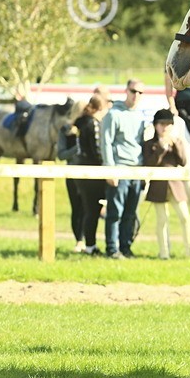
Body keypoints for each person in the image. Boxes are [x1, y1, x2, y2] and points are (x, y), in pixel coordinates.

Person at [143, 109, 190, 259]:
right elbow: (149, 164)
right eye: (162, 124)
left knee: (185, 218)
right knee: (162, 220)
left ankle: (188, 251)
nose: (165, 127)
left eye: (168, 124)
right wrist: (161, 147)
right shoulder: (149, 144)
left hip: (176, 185)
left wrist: (175, 146)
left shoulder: (178, 141)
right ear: (155, 125)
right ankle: (164, 252)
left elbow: (183, 161)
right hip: (158, 186)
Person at [101, 80, 148, 259]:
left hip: (136, 170)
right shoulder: (113, 114)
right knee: (115, 212)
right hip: (119, 168)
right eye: (133, 91)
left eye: (140, 92)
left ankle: (126, 247)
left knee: (130, 213)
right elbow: (106, 142)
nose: (136, 95)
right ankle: (112, 249)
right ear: (126, 91)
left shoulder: (140, 116)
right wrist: (110, 170)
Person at [70, 93, 108, 255]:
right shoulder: (93, 124)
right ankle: (91, 245)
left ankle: (88, 243)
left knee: (87, 210)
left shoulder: (80, 123)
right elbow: (96, 150)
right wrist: (105, 166)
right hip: (92, 172)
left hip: (80, 169)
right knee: (92, 210)